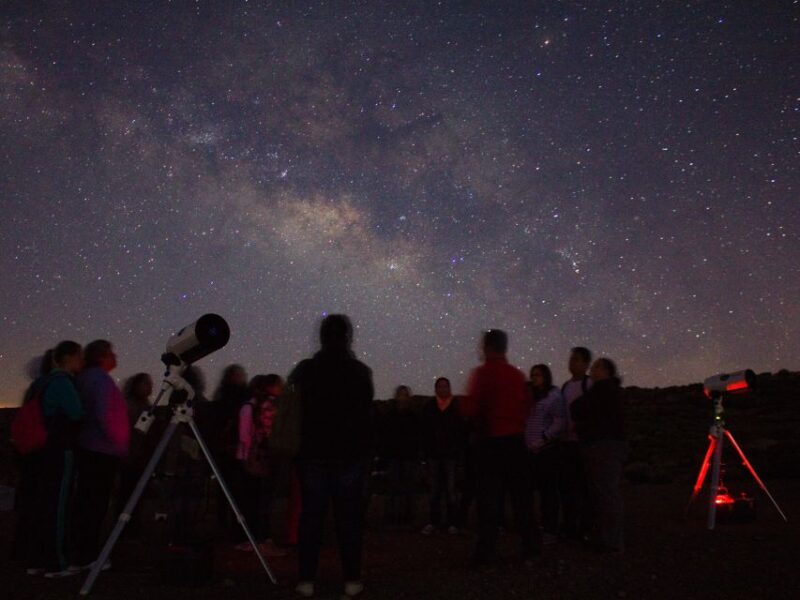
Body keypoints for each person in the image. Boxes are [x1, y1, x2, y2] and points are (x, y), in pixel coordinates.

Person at [291, 314, 374, 599]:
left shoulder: (305, 370)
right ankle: (351, 579)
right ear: (348, 337)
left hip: (312, 454)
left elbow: (292, 410)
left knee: (311, 518)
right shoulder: (360, 371)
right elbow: (366, 417)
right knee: (348, 520)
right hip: (349, 455)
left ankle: (306, 580)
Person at [459, 330, 540, 567]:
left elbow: (470, 408)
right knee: (522, 499)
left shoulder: (483, 374)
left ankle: (487, 552)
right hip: (516, 443)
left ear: (487, 347)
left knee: (489, 500)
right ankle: (531, 549)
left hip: (491, 444)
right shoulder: (517, 375)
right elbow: (527, 407)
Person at [72, 340, 130, 571]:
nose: (115, 356)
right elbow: (105, 415)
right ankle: (88, 556)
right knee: (95, 505)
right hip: (102, 451)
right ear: (102, 356)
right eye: (111, 352)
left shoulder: (85, 378)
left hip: (89, 448)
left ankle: (82, 551)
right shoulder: (100, 380)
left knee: (86, 503)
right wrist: (120, 444)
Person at [30, 341, 84, 577]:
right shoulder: (62, 383)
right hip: (59, 450)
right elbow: (76, 412)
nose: (81, 362)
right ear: (69, 358)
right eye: (79, 357)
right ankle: (57, 562)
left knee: (42, 503)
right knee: (59, 505)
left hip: (40, 450)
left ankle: (37, 559)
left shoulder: (40, 383)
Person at [570, 358, 626, 553]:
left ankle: (611, 541)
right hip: (607, 446)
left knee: (606, 493)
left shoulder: (603, 390)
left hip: (603, 447)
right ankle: (608, 537)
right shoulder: (611, 391)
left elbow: (578, 407)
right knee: (605, 492)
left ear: (604, 371)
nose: (591, 371)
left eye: (594, 368)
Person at [11, 349, 54, 569]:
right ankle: (36, 551)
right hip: (44, 450)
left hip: (29, 450)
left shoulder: (35, 388)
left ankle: (22, 548)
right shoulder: (53, 385)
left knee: (30, 501)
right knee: (42, 501)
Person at [235, 374, 287, 557]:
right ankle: (260, 539)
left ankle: (253, 539)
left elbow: (244, 437)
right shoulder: (264, 407)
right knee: (262, 501)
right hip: (261, 459)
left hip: (253, 459)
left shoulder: (250, 407)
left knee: (254, 501)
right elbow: (247, 436)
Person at [524, 364, 566, 545]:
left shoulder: (554, 396)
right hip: (530, 451)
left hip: (547, 451)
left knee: (548, 492)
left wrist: (544, 437)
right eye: (532, 375)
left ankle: (550, 529)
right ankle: (539, 525)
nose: (534, 378)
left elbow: (560, 421)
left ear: (546, 377)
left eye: (538, 375)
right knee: (534, 491)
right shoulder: (531, 397)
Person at [420, 377, 465, 535]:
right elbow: (424, 431)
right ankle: (434, 521)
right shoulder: (430, 407)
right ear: (436, 389)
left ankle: (453, 522)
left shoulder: (456, 406)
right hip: (434, 455)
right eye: (440, 386)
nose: (443, 389)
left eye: (445, 386)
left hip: (451, 456)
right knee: (434, 490)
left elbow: (461, 431)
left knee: (451, 490)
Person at [210, 364, 250, 538]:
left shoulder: (223, 396)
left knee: (229, 490)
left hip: (229, 448)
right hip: (232, 448)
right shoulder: (237, 398)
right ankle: (234, 528)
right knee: (234, 490)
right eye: (239, 374)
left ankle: (228, 526)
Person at [559, 346, 593, 540]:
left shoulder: (589, 385)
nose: (572, 363)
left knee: (584, 486)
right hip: (568, 443)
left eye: (577, 360)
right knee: (568, 486)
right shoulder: (566, 386)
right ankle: (571, 526)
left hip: (583, 443)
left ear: (586, 364)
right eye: (571, 359)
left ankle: (585, 527)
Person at [116, 372, 154, 536]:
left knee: (136, 498)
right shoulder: (129, 405)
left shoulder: (147, 406)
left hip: (140, 458)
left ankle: (131, 531)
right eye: (146, 384)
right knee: (127, 497)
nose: (150, 387)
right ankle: (123, 533)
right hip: (130, 458)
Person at [379, 385, 419, 529]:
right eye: (400, 394)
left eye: (404, 395)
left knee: (408, 488)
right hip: (394, 456)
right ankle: (392, 516)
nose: (402, 397)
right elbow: (384, 435)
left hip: (409, 456)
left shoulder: (413, 416)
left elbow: (418, 436)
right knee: (393, 488)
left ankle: (407, 516)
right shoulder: (389, 416)